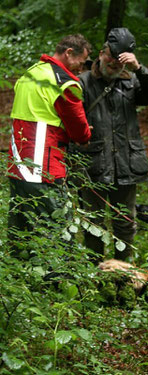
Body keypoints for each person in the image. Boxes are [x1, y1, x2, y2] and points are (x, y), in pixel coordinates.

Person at [74, 27, 148, 262]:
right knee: (93, 224)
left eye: (120, 61)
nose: (114, 64)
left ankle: (123, 274)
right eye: (111, 58)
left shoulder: (132, 81)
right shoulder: (83, 82)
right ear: (102, 53)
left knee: (125, 223)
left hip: (126, 165)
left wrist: (139, 69)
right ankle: (95, 272)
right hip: (92, 165)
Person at [7, 34, 92, 258]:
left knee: (20, 230)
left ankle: (20, 279)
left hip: (17, 164)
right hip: (43, 169)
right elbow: (80, 130)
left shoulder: (31, 73)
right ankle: (53, 286)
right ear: (69, 53)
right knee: (58, 233)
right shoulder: (64, 82)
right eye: (81, 63)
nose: (81, 69)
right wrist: (85, 135)